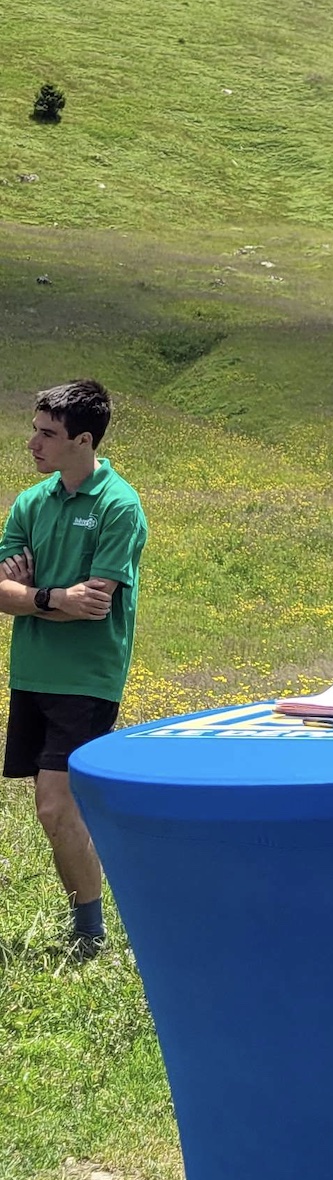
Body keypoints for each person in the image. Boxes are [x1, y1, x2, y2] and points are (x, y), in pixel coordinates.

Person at [0, 380, 148, 958]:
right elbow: (6, 591)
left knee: (55, 805)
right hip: (31, 672)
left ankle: (90, 934)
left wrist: (31, 593)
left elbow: (95, 604)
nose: (33, 443)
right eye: (35, 430)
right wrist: (54, 597)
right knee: (56, 810)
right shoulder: (30, 502)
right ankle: (89, 921)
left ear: (83, 441)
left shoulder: (119, 506)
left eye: (47, 434)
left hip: (86, 677)